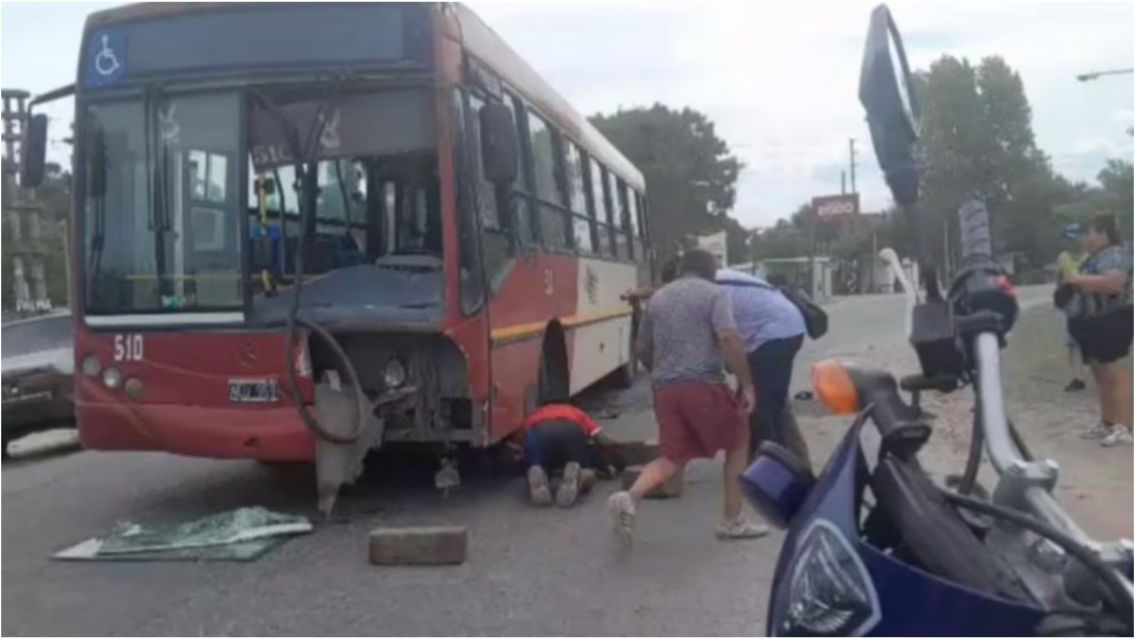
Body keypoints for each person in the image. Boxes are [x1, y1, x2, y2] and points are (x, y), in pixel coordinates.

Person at [607, 249, 764, 546]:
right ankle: (732, 521)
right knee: (739, 438)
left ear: (681, 269)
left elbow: (641, 350)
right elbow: (729, 337)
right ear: (710, 271)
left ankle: (629, 497)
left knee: (673, 456)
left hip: (665, 390)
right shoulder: (714, 293)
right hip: (703, 385)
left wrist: (665, 373)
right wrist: (746, 384)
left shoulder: (658, 299)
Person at [715, 268, 812, 467]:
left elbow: (725, 335)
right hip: (779, 330)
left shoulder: (713, 288)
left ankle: (775, 467)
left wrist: (733, 365)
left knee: (761, 408)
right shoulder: (718, 279)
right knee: (771, 402)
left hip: (775, 334)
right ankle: (792, 459)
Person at [1064, 214, 1133, 446]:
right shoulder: (1094, 257)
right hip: (1093, 322)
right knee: (1101, 376)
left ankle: (1125, 426)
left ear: (1103, 233)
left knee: (1116, 374)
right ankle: (1108, 423)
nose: (1084, 238)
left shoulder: (1114, 253)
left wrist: (1077, 279)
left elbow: (1114, 284)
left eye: (1089, 233)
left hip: (1113, 318)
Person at [516, 402, 625, 507]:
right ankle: (578, 475)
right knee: (584, 468)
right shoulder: (575, 411)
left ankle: (539, 470)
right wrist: (621, 446)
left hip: (538, 432)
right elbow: (600, 438)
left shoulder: (534, 414)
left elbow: (520, 444)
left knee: (537, 461)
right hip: (570, 431)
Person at [1055, 224, 1087, 392]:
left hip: (1090, 302)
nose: (1070, 242)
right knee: (1073, 341)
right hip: (1072, 302)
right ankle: (1077, 377)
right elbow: (1059, 279)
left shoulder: (1090, 256)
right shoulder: (1063, 257)